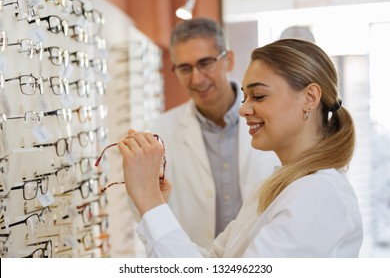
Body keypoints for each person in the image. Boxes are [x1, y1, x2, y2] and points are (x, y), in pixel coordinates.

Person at [119, 38, 363, 257]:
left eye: (258, 96)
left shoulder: (320, 195)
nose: (243, 109)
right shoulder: (272, 189)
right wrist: (156, 205)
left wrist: (149, 200)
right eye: (245, 97)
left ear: (309, 98)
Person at [148, 17, 279, 248]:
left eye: (205, 63)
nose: (197, 79)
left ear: (228, 60)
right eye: (185, 68)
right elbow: (151, 212)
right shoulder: (161, 131)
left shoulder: (271, 117)